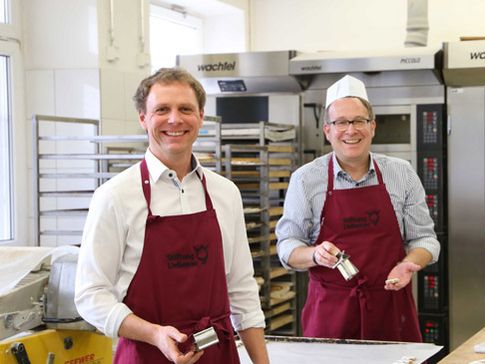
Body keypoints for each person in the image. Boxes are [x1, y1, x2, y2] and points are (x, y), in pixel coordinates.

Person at [75, 68, 269, 364]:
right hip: (146, 355)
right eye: (162, 110)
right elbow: (90, 295)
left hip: (217, 355)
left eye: (186, 109)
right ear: (143, 118)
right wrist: (154, 334)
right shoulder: (115, 196)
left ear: (201, 116)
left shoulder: (225, 193)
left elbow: (242, 289)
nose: (175, 119)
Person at [276, 75, 440, 342]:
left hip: (390, 310)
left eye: (359, 121)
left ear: (372, 126)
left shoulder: (402, 173)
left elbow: (425, 239)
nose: (350, 130)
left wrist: (409, 263)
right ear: (327, 130)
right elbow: (286, 247)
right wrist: (315, 254)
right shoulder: (306, 179)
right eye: (341, 122)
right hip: (330, 315)